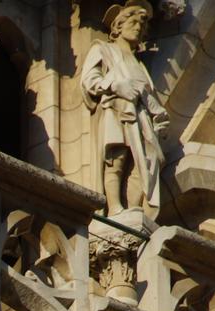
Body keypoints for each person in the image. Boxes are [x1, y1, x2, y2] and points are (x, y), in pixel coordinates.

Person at [80, 0, 169, 217]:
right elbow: (89, 79)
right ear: (118, 26)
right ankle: (115, 206)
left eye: (142, 24)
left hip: (140, 117)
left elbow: (146, 94)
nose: (138, 27)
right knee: (116, 159)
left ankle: (133, 208)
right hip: (116, 110)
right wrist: (115, 85)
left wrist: (160, 118)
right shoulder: (103, 49)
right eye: (133, 22)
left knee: (146, 162)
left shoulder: (139, 64)